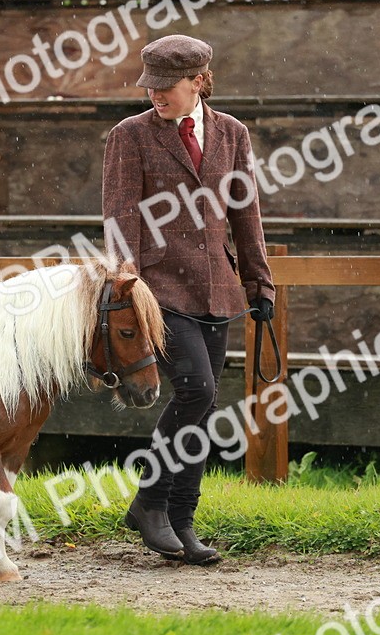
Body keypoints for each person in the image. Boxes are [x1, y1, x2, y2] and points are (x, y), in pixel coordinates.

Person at [103, 35, 275, 565]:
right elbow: (120, 217)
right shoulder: (129, 135)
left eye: (166, 87)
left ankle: (182, 521)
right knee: (196, 390)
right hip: (158, 292)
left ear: (199, 81)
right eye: (149, 86)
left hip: (216, 290)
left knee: (201, 405)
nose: (155, 95)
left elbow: (246, 215)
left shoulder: (232, 133)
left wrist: (259, 283)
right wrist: (127, 284)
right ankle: (150, 502)